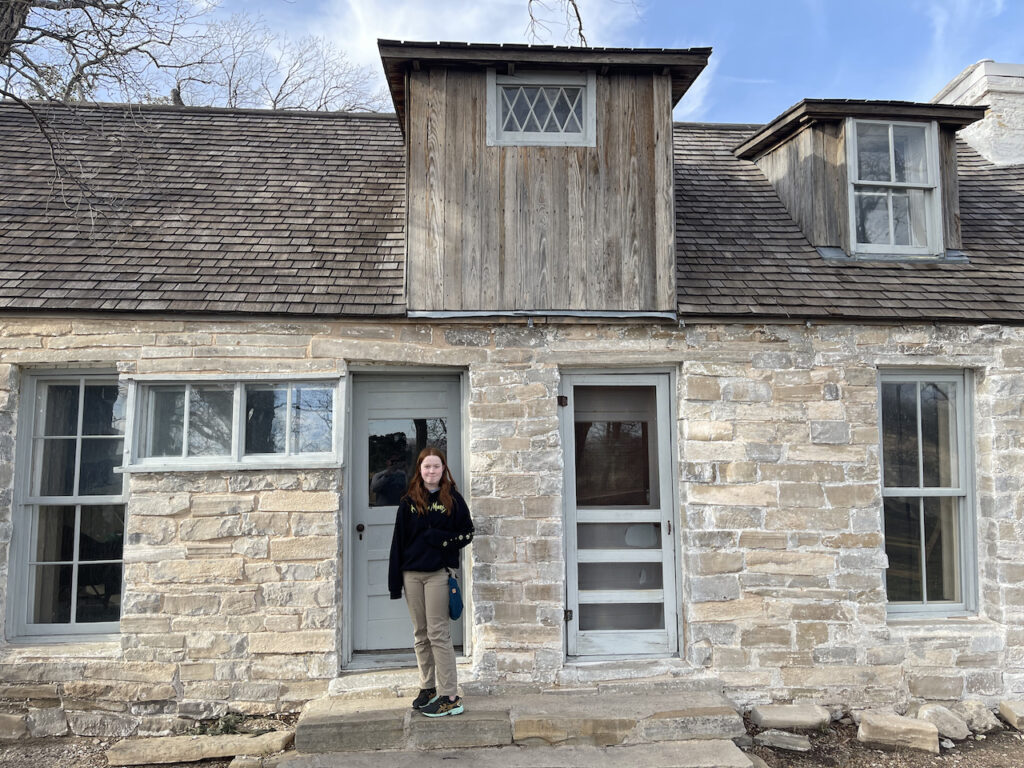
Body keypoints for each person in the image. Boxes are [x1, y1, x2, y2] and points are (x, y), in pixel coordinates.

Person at [388, 447, 473, 717]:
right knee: (420, 634)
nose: (431, 471)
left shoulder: (454, 499)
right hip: (411, 574)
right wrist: (394, 583)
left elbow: (467, 533)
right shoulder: (408, 501)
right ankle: (428, 688)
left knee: (438, 633)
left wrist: (441, 539)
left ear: (443, 469)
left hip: (438, 573)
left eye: (436, 466)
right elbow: (398, 543)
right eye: (427, 467)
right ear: (420, 470)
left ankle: (450, 695)